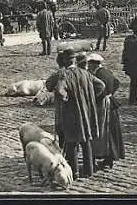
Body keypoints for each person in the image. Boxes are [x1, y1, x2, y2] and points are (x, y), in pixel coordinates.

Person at [55, 48, 106, 179]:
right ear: (74, 60)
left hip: (71, 113)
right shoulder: (85, 73)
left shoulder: (64, 75)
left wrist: (66, 99)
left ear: (66, 61)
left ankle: (75, 172)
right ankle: (89, 170)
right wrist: (91, 97)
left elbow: (60, 91)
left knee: (71, 141)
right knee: (86, 140)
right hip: (86, 112)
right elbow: (101, 85)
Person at [87, 54, 124, 171]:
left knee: (103, 131)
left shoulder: (98, 74)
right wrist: (110, 92)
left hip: (103, 106)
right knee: (112, 132)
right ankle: (110, 158)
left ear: (93, 64)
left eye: (90, 64)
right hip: (111, 103)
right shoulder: (107, 71)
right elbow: (117, 83)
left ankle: (103, 155)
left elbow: (98, 89)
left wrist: (100, 96)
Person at [46, 51, 68, 151]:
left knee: (62, 129)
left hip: (62, 106)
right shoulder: (78, 71)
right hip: (78, 106)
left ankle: (64, 152)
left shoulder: (58, 74)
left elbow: (49, 86)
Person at [122, 25, 137, 105]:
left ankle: (133, 98)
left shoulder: (129, 39)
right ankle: (133, 99)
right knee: (135, 82)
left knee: (134, 82)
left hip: (130, 64)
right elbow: (134, 55)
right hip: (133, 65)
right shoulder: (132, 41)